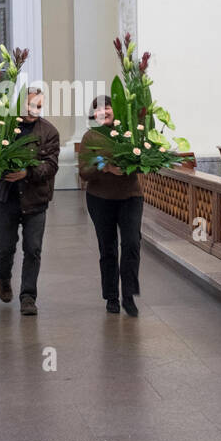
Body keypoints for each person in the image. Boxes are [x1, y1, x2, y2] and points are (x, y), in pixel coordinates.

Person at [0, 87, 59, 316]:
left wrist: (27, 173)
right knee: (5, 246)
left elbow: (51, 166)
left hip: (35, 199)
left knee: (33, 249)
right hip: (7, 197)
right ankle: (4, 278)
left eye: (38, 106)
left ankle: (28, 296)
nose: (34, 110)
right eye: (30, 105)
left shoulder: (49, 131)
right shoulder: (4, 129)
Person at [78, 95, 143, 317]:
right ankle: (112, 297)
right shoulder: (91, 137)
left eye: (108, 107)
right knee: (108, 248)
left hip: (130, 197)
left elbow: (141, 160)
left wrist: (131, 165)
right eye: (98, 109)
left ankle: (129, 295)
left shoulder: (129, 133)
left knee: (132, 243)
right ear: (93, 114)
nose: (104, 111)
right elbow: (85, 170)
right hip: (100, 198)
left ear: (115, 110)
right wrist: (105, 166)